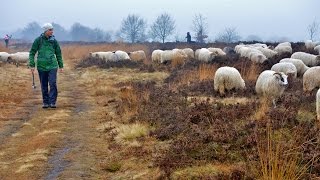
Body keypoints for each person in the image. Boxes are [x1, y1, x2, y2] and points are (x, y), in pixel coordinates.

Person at [29, 23, 64, 109]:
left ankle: (52, 102)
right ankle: (45, 102)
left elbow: (58, 53)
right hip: (41, 66)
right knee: (44, 85)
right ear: (45, 31)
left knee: (52, 83)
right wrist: (32, 65)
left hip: (52, 66)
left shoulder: (54, 41)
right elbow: (32, 52)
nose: (52, 31)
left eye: (52, 30)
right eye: (50, 30)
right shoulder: (38, 40)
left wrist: (61, 65)